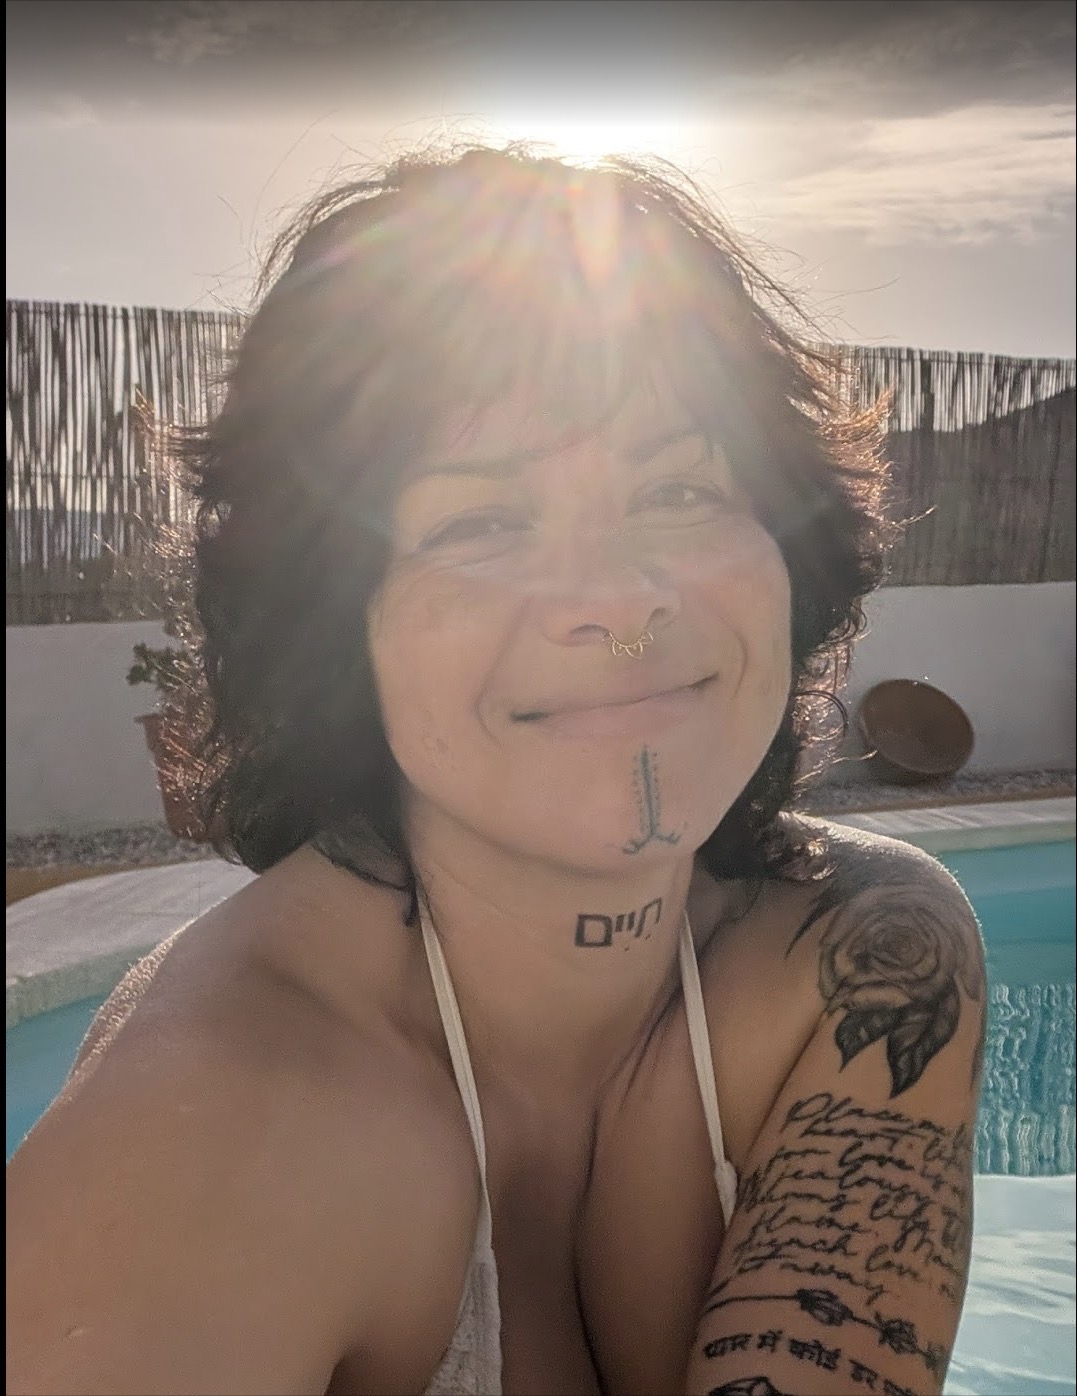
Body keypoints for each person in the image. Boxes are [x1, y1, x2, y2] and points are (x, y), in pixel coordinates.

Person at [7, 142, 985, 1396]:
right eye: (481, 520)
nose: (618, 600)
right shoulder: (197, 1159)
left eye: (680, 488)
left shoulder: (867, 950)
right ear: (331, 627)